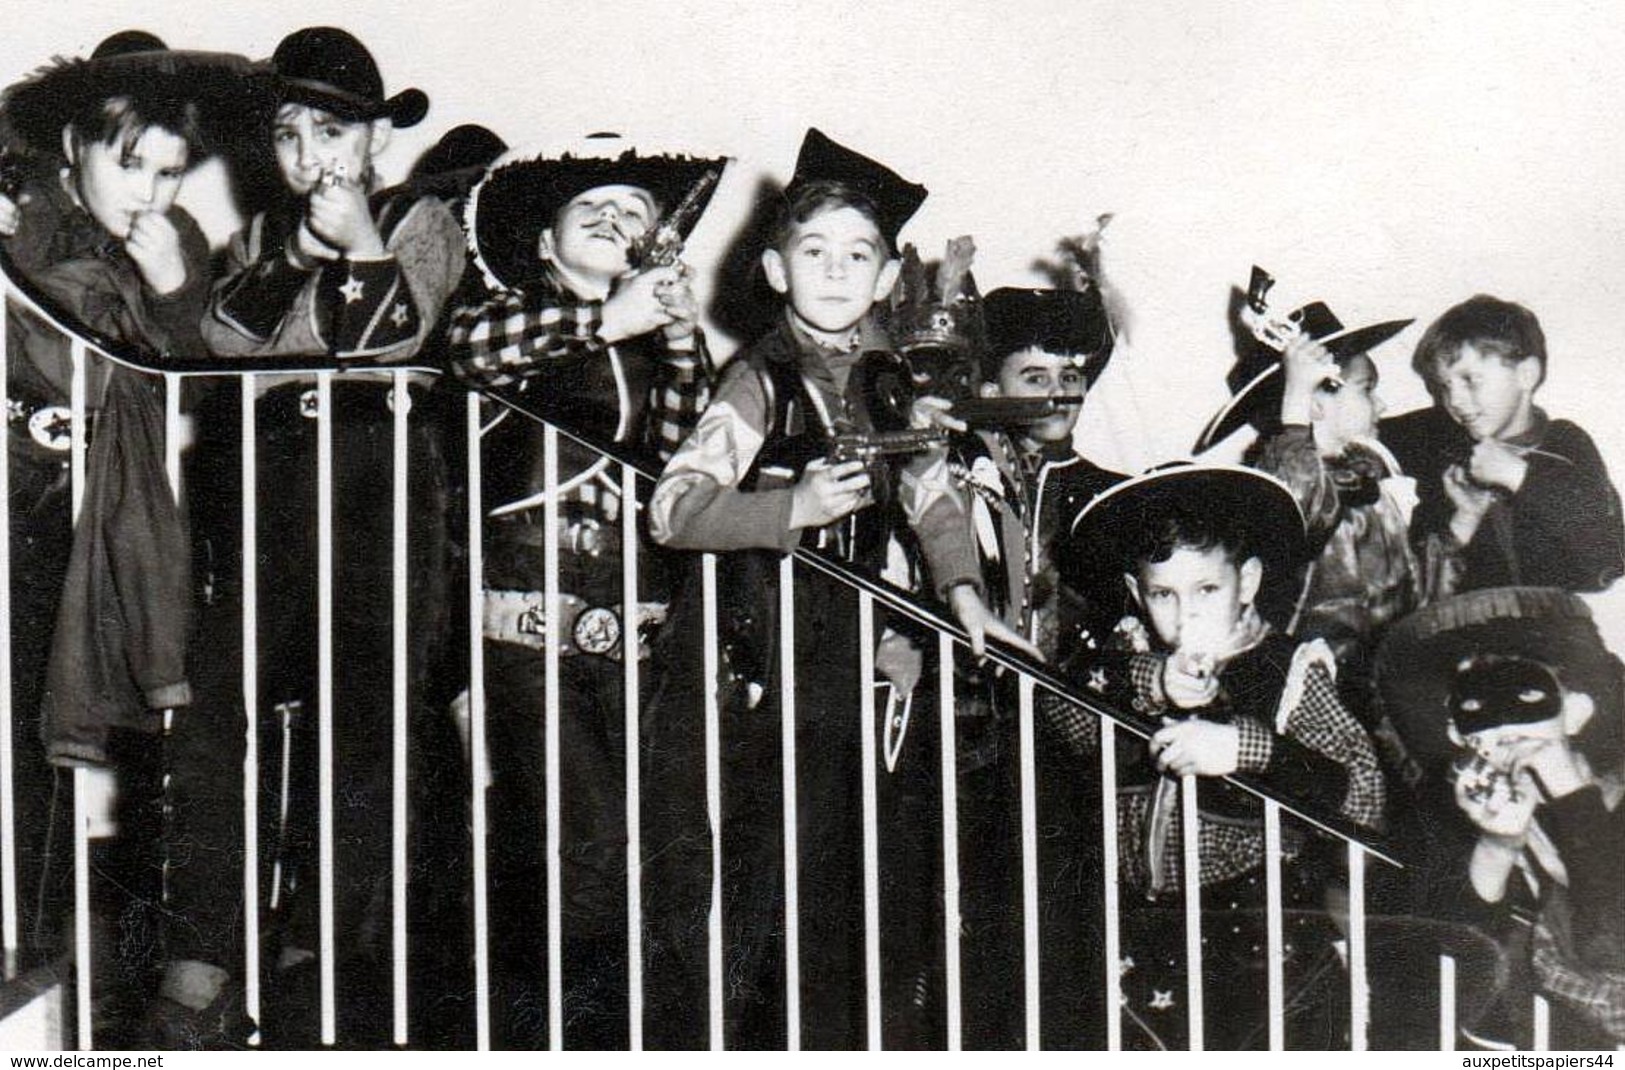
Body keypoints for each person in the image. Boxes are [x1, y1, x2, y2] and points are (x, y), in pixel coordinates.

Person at [647, 128, 1028, 1048]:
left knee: (854, 884)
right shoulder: (758, 381)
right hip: (746, 666)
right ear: (775, 271)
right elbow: (672, 508)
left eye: (858, 254)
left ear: (889, 277)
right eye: (812, 252)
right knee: (751, 889)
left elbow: (934, 495)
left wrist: (966, 595)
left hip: (842, 665)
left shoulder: (888, 380)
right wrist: (794, 507)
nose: (834, 271)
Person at [188, 26, 465, 1047]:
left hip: (383, 496)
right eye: (291, 135)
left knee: (369, 717)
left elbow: (401, 330)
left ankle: (327, 946)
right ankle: (206, 945)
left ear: (375, 139)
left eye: (333, 132)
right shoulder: (260, 234)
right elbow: (222, 340)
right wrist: (316, 264)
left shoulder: (421, 217)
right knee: (224, 702)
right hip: (267, 494)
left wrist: (357, 248)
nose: (312, 158)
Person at [445, 133, 726, 1049]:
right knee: (585, 853)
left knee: (647, 855)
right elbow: (471, 354)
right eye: (589, 209)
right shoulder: (507, 318)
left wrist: (682, 346)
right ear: (541, 243)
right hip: (526, 637)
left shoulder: (656, 346)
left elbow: (690, 460)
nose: (613, 218)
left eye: (634, 211)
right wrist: (608, 319)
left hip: (639, 640)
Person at [0, 32, 252, 1046]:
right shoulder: (22, 222)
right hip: (35, 517)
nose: (150, 188)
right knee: (22, 737)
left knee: (180, 738)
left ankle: (185, 983)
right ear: (74, 145)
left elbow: (197, 388)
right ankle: (26, 959)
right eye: (129, 161)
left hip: (152, 534)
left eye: (170, 167)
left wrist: (174, 294)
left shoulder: (176, 242)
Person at [1063, 464, 1385, 1048]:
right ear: (1137, 593)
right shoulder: (1121, 663)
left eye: (1207, 589)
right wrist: (1155, 682)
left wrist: (1245, 748)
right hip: (1138, 931)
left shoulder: (1289, 669)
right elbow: (1062, 716)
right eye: (1164, 594)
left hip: (1259, 935)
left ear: (1249, 581)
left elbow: (1362, 795)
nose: (1185, 614)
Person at [1375, 586, 1625, 1048]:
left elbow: (1611, 944)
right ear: (1458, 733)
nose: (1505, 728)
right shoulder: (1450, 812)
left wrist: (1570, 793)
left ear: (1575, 711)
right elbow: (1443, 968)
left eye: (1525, 695)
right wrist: (1496, 846)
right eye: (1477, 708)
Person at [1199, 297, 1419, 709]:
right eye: (1368, 389)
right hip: (1313, 690)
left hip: (1382, 685)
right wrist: (1294, 404)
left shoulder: (1372, 477)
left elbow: (1409, 586)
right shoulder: (1277, 485)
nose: (1383, 405)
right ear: (1315, 402)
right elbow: (1297, 507)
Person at [1403, 295, 1624, 599]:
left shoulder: (1565, 443)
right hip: (1466, 635)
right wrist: (1463, 521)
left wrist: (1519, 476)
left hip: (1554, 635)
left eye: (1470, 380)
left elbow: (1607, 559)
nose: (1453, 401)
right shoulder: (1449, 459)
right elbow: (1414, 591)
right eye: (1444, 386)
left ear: (1526, 375)